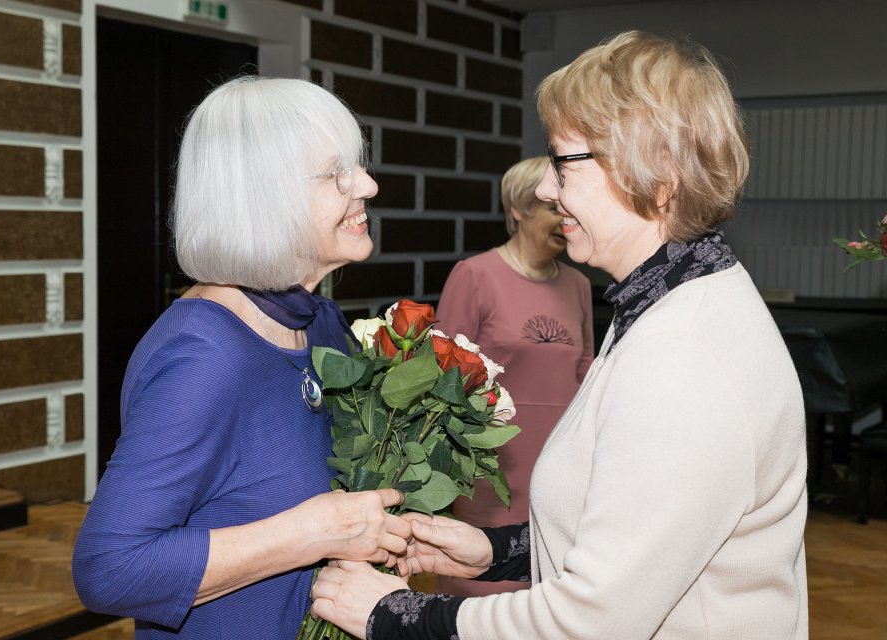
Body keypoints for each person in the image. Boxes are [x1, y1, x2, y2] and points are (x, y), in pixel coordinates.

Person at [309, 30, 808, 639]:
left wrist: (393, 615)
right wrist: (498, 552)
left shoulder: (683, 357)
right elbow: (638, 534)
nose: (545, 189)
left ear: (657, 174)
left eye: (563, 163)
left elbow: (590, 623)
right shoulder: (667, 302)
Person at [71, 76, 411, 640]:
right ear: (264, 195)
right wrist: (313, 531)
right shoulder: (205, 355)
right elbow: (110, 570)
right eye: (338, 173)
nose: (368, 186)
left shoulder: (321, 322)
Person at [434, 155, 593, 597]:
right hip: (493, 471)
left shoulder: (579, 285)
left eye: (570, 208)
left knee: (551, 600)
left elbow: (585, 376)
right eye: (552, 208)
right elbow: (443, 379)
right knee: (482, 597)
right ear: (518, 210)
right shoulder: (474, 276)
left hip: (560, 471)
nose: (565, 218)